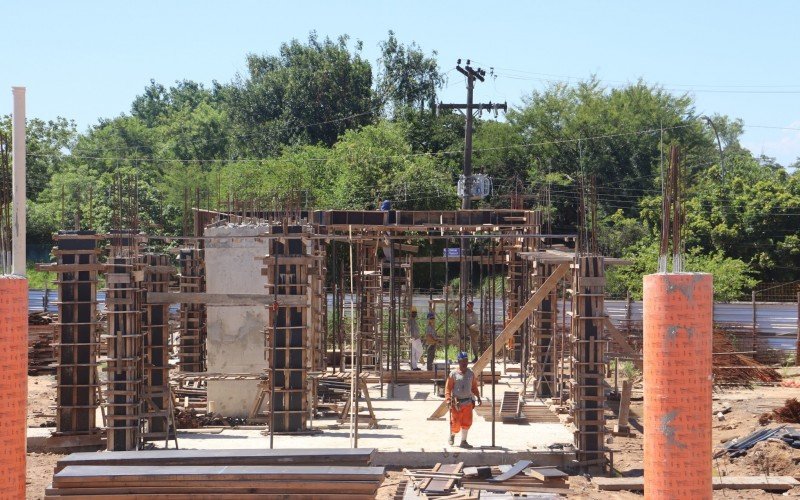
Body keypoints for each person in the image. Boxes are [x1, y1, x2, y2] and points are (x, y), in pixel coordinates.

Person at [445, 351, 482, 448]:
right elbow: (448, 388)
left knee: (467, 422)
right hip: (457, 404)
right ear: (458, 361)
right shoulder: (453, 374)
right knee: (456, 422)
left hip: (468, 402)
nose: (464, 363)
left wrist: (478, 396)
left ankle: (463, 441)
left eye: (466, 361)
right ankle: (452, 435)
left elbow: (474, 387)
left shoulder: (471, 374)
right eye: (462, 361)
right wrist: (448, 400)